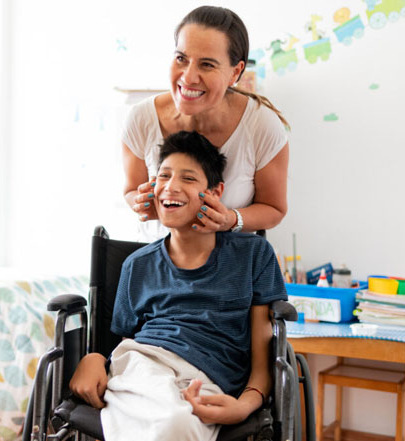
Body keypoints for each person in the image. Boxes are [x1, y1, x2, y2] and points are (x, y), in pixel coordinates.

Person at [71, 131, 287, 441]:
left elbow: (263, 355)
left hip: (211, 380)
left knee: (178, 425)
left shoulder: (253, 254)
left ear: (215, 192)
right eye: (163, 177)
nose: (171, 187)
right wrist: (93, 359)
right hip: (144, 367)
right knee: (173, 423)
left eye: (188, 178)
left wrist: (244, 405)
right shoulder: (137, 265)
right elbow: (121, 341)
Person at [123, 5, 290, 242]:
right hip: (158, 267)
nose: (188, 77)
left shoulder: (261, 126)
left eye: (207, 64)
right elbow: (131, 190)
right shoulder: (140, 119)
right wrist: (140, 203)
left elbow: (274, 209)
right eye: (181, 58)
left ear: (235, 72)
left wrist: (230, 220)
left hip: (230, 271)